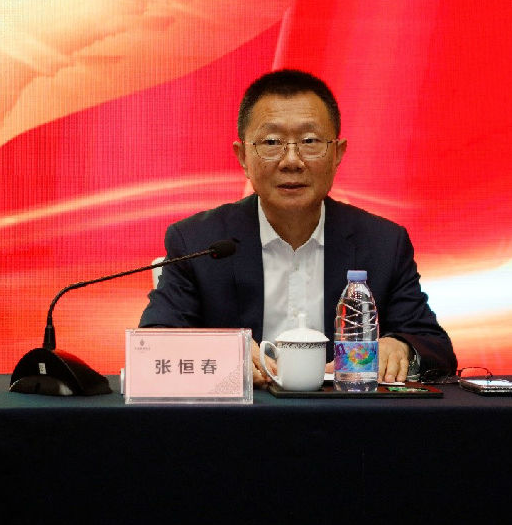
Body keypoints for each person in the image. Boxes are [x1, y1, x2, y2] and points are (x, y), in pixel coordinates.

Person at [139, 68, 457, 387]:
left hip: (347, 413)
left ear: (338, 153)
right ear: (243, 156)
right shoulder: (198, 241)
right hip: (241, 414)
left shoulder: (383, 243)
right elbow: (153, 343)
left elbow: (435, 347)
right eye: (272, 142)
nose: (291, 161)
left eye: (309, 141)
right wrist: (222, 352)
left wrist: (400, 348)